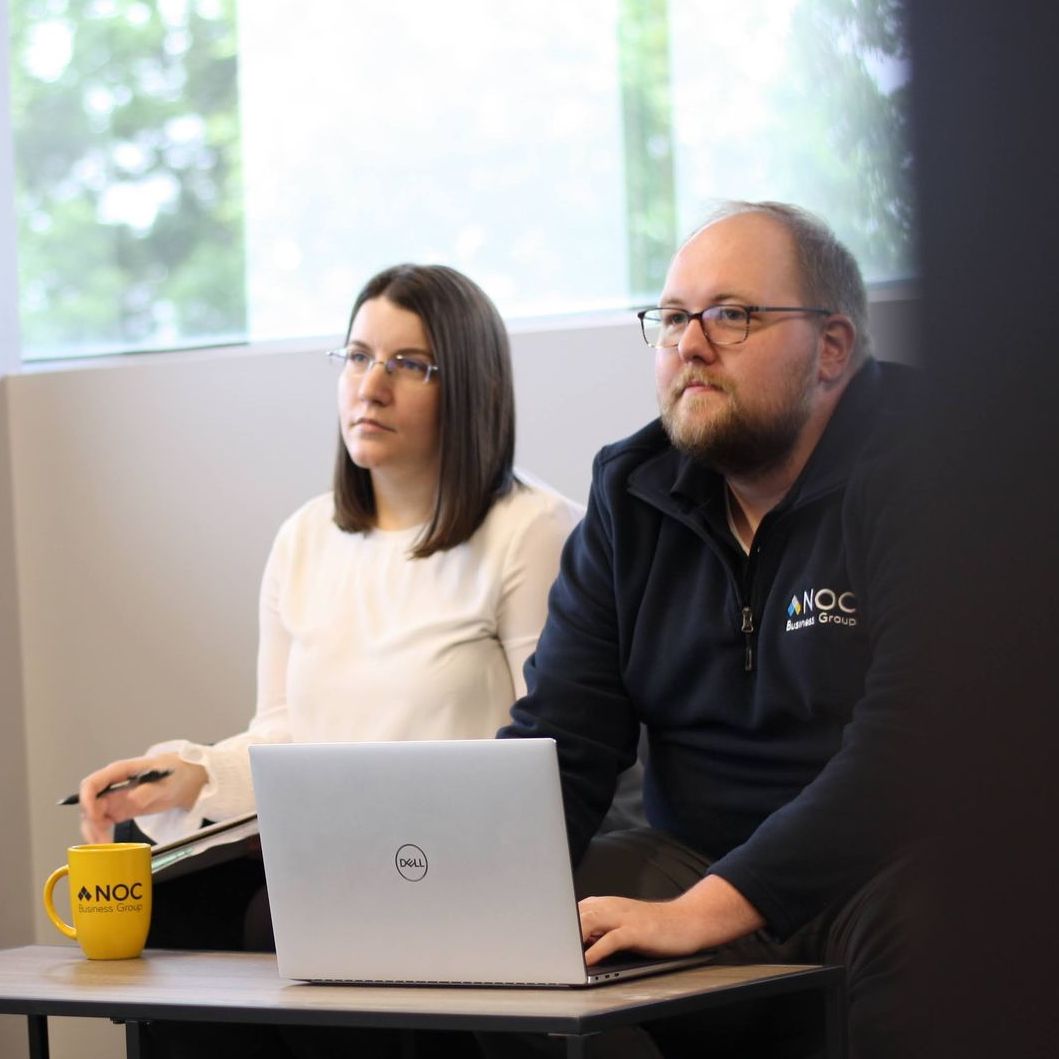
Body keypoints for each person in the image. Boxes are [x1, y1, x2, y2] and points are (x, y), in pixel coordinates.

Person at [75, 263, 586, 1059]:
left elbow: (560, 745)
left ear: (471, 385)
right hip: (336, 862)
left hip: (458, 865)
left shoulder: (531, 530)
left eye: (406, 365)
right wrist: (197, 775)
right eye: (355, 357)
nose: (369, 387)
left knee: (275, 920)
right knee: (177, 905)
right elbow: (283, 733)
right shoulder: (306, 536)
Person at [498, 202, 915, 1059]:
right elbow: (562, 740)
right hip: (689, 858)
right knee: (508, 932)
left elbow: (911, 749)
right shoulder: (632, 490)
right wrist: (455, 881)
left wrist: (707, 910)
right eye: (672, 318)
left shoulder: (930, 461)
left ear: (831, 348)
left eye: (731, 314)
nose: (689, 342)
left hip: (886, 871)